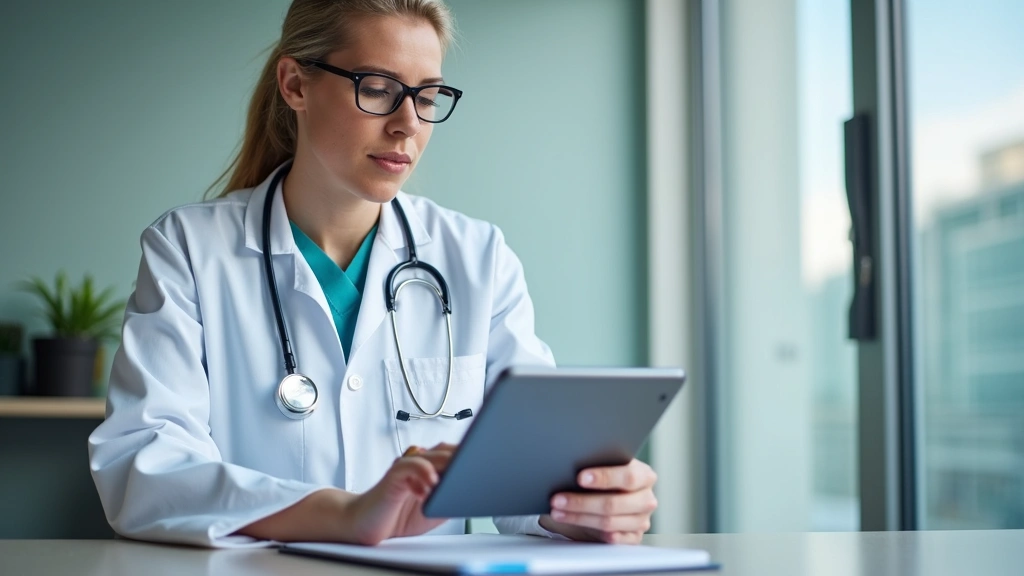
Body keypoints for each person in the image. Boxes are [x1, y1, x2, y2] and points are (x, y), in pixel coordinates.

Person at [88, 0, 658, 548]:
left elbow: (527, 474)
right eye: (379, 90)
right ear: (295, 84)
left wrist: (584, 506)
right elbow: (146, 466)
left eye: (428, 95)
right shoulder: (189, 249)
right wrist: (344, 514)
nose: (407, 125)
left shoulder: (477, 257)